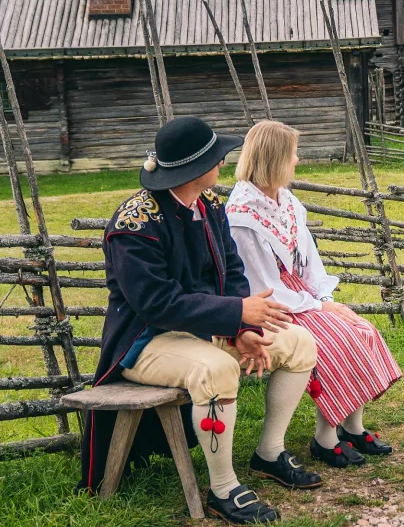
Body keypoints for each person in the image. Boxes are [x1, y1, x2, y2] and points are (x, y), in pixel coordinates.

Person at [83, 116, 322, 525]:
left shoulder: (210, 206)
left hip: (206, 327)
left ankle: (269, 452)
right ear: (195, 169)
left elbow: (231, 272)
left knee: (298, 342)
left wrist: (243, 328)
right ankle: (223, 489)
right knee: (216, 369)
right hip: (146, 343)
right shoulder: (133, 225)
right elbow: (156, 303)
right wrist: (234, 314)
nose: (224, 162)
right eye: (216, 157)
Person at [226, 120, 403, 469]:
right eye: (292, 154)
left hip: (302, 295)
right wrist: (317, 308)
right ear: (275, 158)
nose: (297, 160)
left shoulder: (286, 201)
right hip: (273, 304)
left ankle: (352, 427)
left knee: (361, 330)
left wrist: (325, 300)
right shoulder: (242, 216)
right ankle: (325, 437)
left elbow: (309, 262)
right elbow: (264, 284)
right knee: (336, 341)